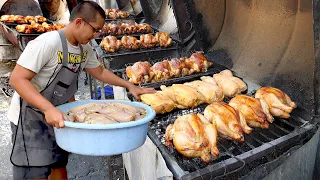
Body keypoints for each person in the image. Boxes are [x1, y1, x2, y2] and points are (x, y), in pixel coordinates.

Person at [7, 1, 155, 180]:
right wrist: (47, 108)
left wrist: (130, 86)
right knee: (36, 172)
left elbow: (99, 71)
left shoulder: (84, 49)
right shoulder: (48, 43)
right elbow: (17, 79)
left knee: (58, 166)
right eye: (95, 30)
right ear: (79, 22)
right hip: (30, 119)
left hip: (58, 116)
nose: (96, 35)